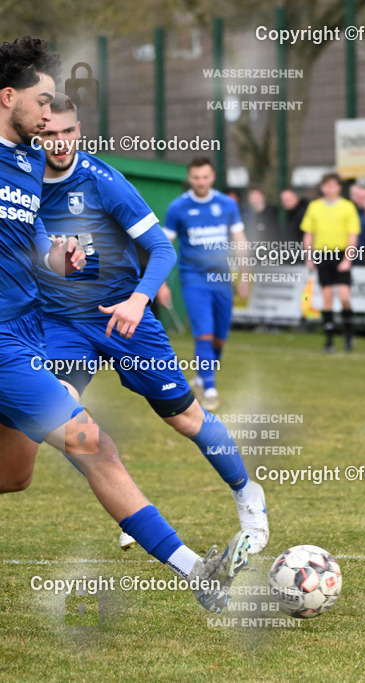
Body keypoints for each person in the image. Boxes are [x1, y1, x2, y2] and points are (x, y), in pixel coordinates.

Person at [0, 36, 248, 612]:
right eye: (41, 101)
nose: (48, 112)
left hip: (29, 331)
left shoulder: (29, 161)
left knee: (14, 476)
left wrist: (58, 253)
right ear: (8, 97)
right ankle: (196, 572)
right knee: (95, 446)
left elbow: (24, 232)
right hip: (6, 345)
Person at [35, 94, 269, 553]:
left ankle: (247, 494)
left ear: (78, 131)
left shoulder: (105, 182)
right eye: (48, 134)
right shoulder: (21, 178)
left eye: (67, 132)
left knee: (185, 418)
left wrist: (138, 301)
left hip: (125, 318)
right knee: (60, 416)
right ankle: (129, 503)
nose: (58, 143)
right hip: (62, 321)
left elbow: (163, 250)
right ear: (35, 132)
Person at [164, 157, 248, 410]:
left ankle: (201, 377)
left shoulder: (226, 205)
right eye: (196, 177)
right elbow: (165, 247)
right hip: (193, 279)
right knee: (204, 333)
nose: (201, 182)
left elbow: (240, 241)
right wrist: (160, 283)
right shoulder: (177, 208)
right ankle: (210, 389)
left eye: (205, 176)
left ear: (212, 178)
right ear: (190, 179)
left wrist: (244, 275)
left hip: (222, 280)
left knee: (219, 339)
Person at [301, 172, 360, 352]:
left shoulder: (348, 207)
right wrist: (309, 256)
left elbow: (353, 235)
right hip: (323, 254)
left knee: (344, 297)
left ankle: (348, 337)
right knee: (326, 298)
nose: (329, 189)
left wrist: (348, 259)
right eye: (326, 185)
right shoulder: (314, 206)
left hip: (341, 254)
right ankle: (329, 341)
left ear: (339, 187)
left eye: (333, 185)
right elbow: (308, 234)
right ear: (322, 187)